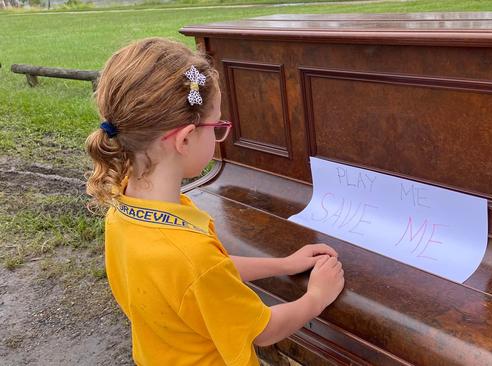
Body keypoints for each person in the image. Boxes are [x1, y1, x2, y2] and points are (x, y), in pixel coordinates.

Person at [84, 37, 345, 366]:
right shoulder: (190, 257)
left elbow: (209, 273)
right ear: (185, 138)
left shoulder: (124, 206)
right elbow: (263, 330)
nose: (219, 134)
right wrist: (316, 298)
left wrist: (283, 265)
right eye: (217, 126)